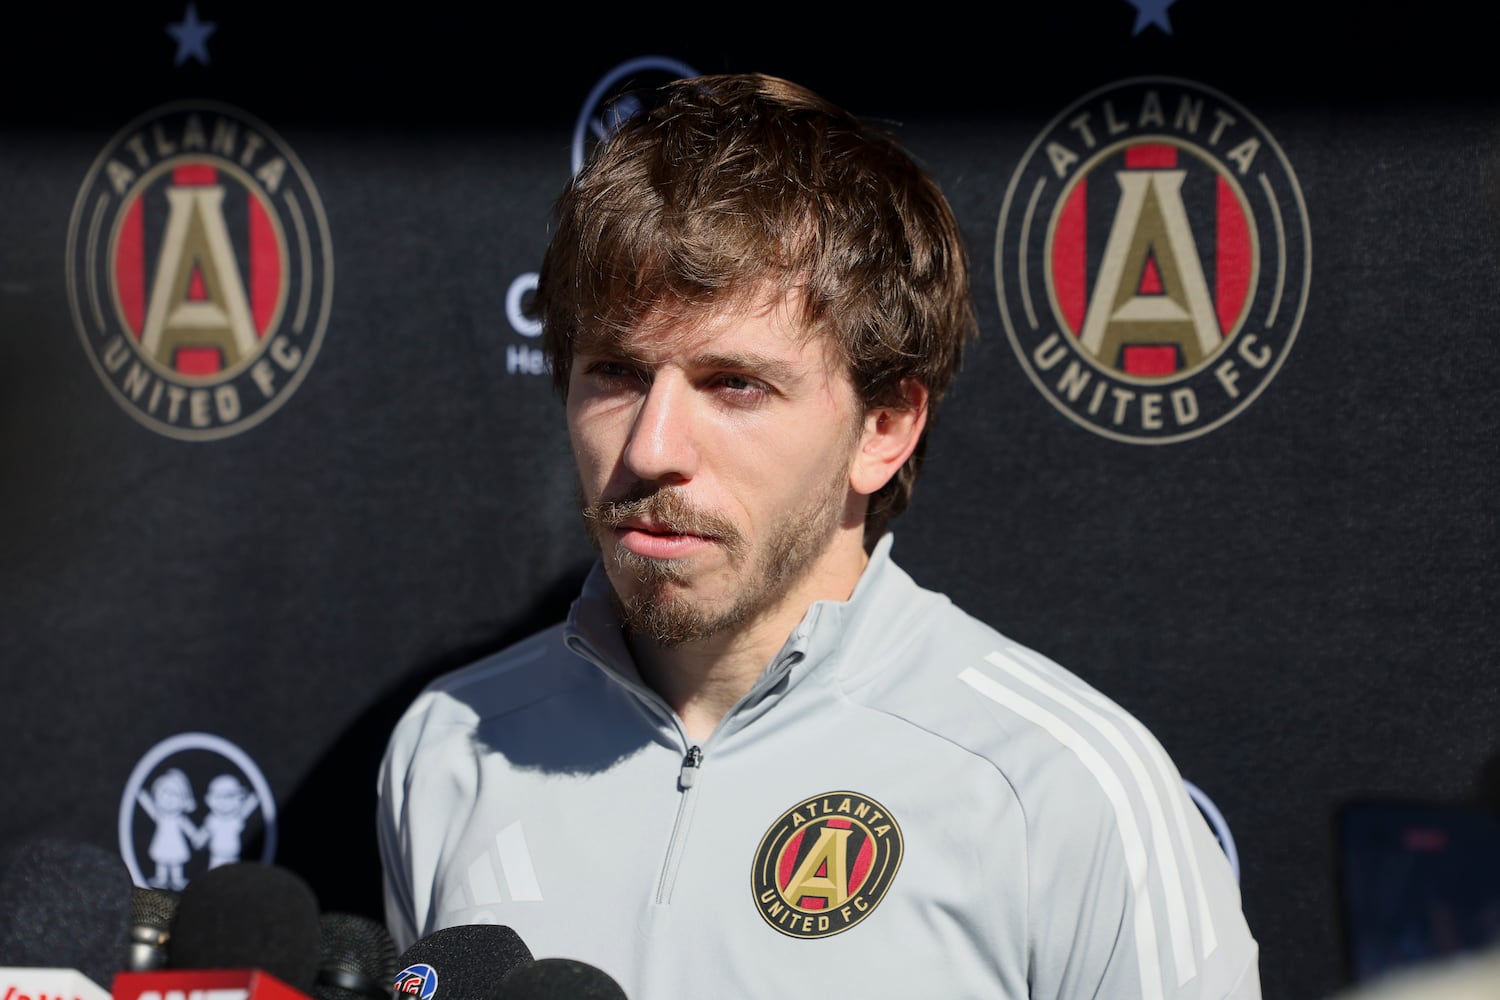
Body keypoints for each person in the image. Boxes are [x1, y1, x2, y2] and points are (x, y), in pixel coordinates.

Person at [377, 72, 1261, 998]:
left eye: (735, 385)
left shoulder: (1059, 789)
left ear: (883, 428)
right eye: (617, 373)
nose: (652, 447)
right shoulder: (449, 750)